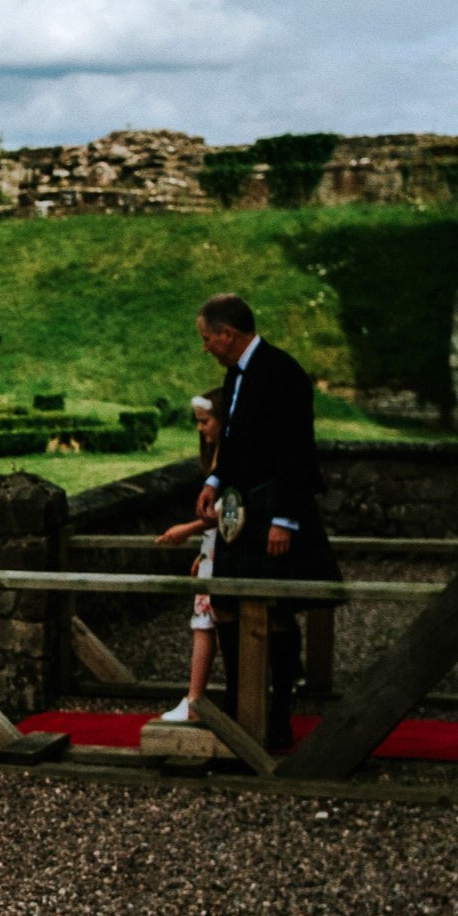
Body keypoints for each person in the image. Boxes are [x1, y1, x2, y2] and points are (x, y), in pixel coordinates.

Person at [195, 293, 340, 750]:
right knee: (227, 604)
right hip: (244, 507)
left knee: (275, 612)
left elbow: (297, 449)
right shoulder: (234, 375)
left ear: (228, 334)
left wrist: (284, 518)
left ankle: (277, 716)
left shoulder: (283, 372)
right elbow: (237, 442)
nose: (205, 347)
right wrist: (216, 479)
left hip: (275, 508)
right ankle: (242, 704)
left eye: (207, 338)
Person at [154, 388, 227, 723]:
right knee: (204, 624)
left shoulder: (230, 461)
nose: (201, 428)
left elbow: (228, 511)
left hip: (222, 553)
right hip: (214, 551)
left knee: (205, 625)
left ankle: (195, 698)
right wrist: (203, 551)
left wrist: (188, 529)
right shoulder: (217, 459)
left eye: (205, 421)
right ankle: (195, 697)